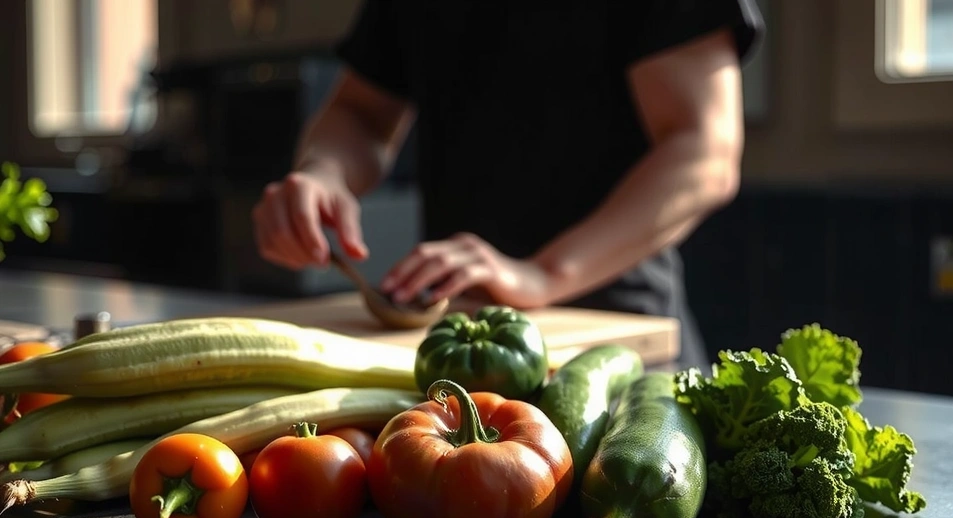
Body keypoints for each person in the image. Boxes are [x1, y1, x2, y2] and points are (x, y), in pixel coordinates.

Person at [252, 0, 765, 371]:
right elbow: (361, 113)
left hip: (613, 344)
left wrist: (542, 275)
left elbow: (703, 153)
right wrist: (323, 172)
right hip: (460, 342)